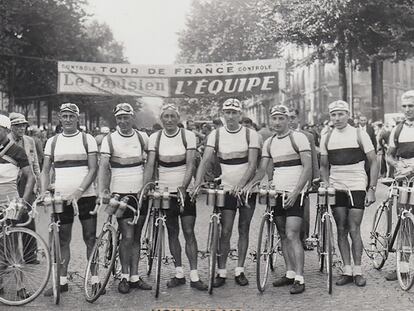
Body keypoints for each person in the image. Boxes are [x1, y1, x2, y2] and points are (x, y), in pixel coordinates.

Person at [244, 105, 312, 294]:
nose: (277, 122)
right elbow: (262, 169)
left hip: (295, 193)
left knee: (292, 234)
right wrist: (252, 183)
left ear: (288, 120)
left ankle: (300, 277)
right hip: (278, 193)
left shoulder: (298, 138)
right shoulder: (269, 142)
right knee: (282, 233)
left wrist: (297, 192)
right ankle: (289, 272)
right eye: (274, 119)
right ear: (270, 121)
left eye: (281, 118)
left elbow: (307, 167)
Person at [194, 98, 260, 287]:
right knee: (225, 230)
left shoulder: (250, 134)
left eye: (234, 113)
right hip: (226, 189)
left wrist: (241, 184)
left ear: (240, 115)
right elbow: (206, 159)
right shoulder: (216, 135)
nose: (230, 116)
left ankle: (239, 269)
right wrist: (197, 182)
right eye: (227, 113)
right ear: (223, 114)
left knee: (244, 228)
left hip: (247, 189)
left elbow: (253, 164)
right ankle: (222, 271)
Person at [143, 103, 207, 291]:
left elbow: (190, 165)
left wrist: (183, 187)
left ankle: (194, 275)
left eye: (173, 116)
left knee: (188, 231)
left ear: (178, 118)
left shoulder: (188, 136)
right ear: (161, 119)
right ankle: (179, 272)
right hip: (164, 190)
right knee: (172, 231)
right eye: (166, 117)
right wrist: (145, 187)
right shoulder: (155, 138)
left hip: (184, 190)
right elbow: (150, 165)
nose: (169, 120)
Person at [41, 103, 98, 296]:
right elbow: (45, 170)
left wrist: (79, 191)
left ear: (77, 118)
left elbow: (93, 168)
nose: (67, 120)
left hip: (86, 196)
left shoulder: (87, 139)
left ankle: (95, 279)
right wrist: (42, 191)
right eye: (64, 116)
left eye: (71, 116)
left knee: (90, 238)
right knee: (62, 239)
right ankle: (62, 282)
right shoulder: (52, 141)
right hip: (61, 199)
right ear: (59, 118)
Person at [320, 100, 378, 287]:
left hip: (357, 183)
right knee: (341, 228)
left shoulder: (360, 133)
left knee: (354, 227)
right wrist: (327, 184)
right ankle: (347, 269)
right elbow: (323, 166)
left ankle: (359, 270)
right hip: (337, 184)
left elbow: (374, 161)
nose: (337, 118)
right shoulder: (326, 136)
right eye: (333, 115)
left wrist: (372, 188)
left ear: (348, 114)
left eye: (340, 114)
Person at [98, 103, 152, 293]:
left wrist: (146, 186)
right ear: (116, 120)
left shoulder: (142, 137)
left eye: (126, 117)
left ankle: (135, 277)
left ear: (132, 118)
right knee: (127, 236)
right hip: (120, 193)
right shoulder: (109, 139)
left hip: (140, 193)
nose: (123, 121)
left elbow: (151, 161)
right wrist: (103, 190)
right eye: (119, 118)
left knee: (136, 235)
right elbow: (104, 166)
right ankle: (124, 276)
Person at [0, 114, 35, 299]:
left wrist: (23, 200)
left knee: (15, 245)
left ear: (6, 130)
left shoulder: (17, 151)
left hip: (10, 201)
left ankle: (21, 286)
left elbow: (31, 177)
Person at [385, 90, 414, 281]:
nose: (407, 110)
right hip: (404, 180)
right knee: (404, 221)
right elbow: (389, 154)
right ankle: (403, 267)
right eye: (404, 106)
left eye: (411, 106)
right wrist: (397, 165)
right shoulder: (397, 129)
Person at [9, 113, 41, 264]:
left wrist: (39, 184)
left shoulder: (29, 141)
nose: (21, 128)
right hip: (12, 183)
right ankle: (11, 257)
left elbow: (35, 165)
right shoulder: (5, 141)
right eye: (18, 125)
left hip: (28, 183)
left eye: (23, 125)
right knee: (11, 220)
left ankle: (30, 255)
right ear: (11, 127)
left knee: (29, 219)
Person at [288, 109, 320, 250]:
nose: (290, 121)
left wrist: (316, 178)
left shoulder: (308, 136)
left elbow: (313, 158)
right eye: (287, 118)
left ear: (298, 119)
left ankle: (304, 237)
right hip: (287, 178)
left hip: (304, 178)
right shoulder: (279, 136)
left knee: (304, 210)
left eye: (293, 117)